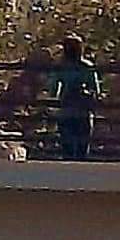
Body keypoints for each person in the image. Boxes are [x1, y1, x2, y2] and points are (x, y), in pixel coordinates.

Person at [45, 34, 104, 163]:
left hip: (67, 109)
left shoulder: (61, 67)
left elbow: (52, 89)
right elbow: (96, 91)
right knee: (82, 146)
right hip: (83, 111)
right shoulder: (87, 67)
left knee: (67, 146)